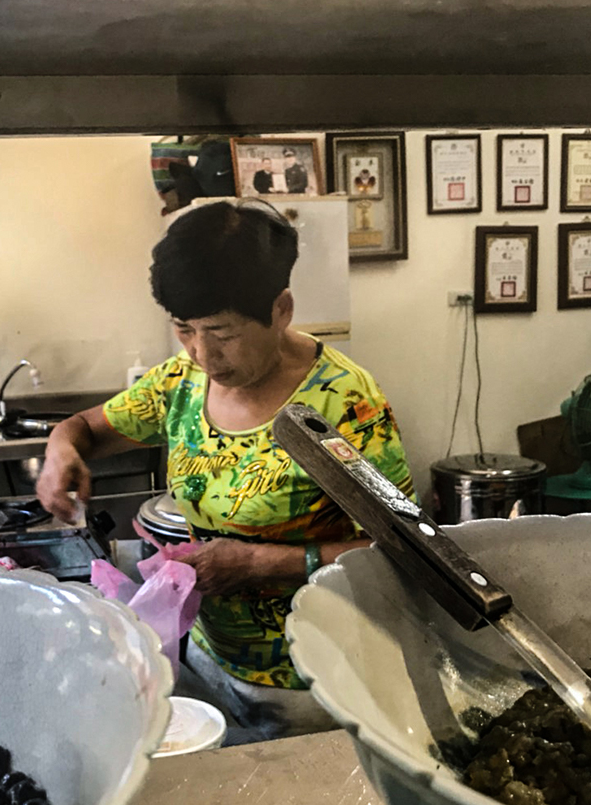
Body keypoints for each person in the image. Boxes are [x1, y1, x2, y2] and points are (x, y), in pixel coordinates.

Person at [35, 199, 414, 739]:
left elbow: (403, 552)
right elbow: (84, 429)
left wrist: (260, 563)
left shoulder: (345, 405)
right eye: (183, 330)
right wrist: (60, 450)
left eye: (223, 332)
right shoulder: (178, 385)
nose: (202, 355)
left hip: (311, 683)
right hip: (206, 659)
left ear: (280, 309)